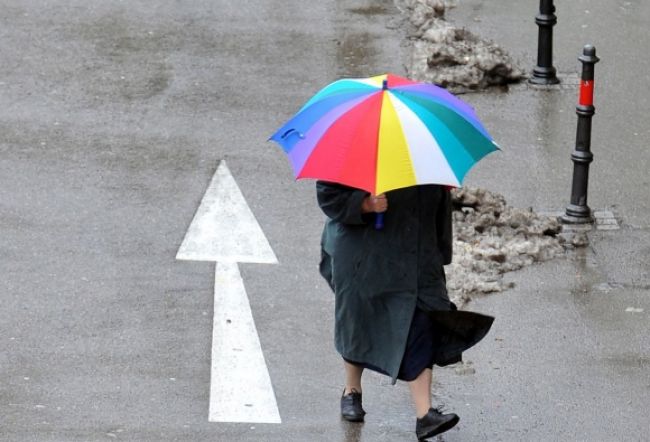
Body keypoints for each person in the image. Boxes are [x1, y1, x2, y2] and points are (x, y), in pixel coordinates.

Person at [316, 181, 493, 441]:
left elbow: (438, 206)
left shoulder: (425, 153)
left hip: (417, 256)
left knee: (422, 323)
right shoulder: (356, 149)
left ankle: (425, 415)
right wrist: (364, 204)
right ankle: (352, 390)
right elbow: (328, 196)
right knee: (359, 320)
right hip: (364, 253)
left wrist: (441, 251)